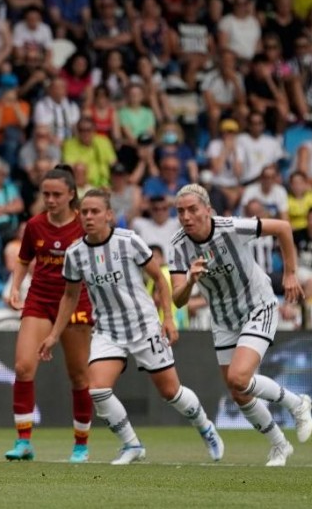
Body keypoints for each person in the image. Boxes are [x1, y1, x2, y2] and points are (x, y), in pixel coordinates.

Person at [39, 189, 224, 465]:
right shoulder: (75, 253)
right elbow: (70, 296)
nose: (89, 217)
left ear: (109, 215)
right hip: (107, 330)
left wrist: (168, 319)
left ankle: (206, 428)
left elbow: (160, 280)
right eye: (85, 212)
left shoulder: (129, 241)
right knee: (97, 389)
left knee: (170, 392)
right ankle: (132, 444)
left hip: (144, 326)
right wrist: (54, 334)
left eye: (95, 211)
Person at [169, 184, 312, 466]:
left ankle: (297, 404)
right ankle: (279, 445)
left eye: (192, 209)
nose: (186, 216)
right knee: (238, 392)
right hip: (223, 320)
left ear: (208, 210)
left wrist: (290, 274)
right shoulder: (178, 245)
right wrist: (189, 281)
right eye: (180, 211)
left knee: (239, 378)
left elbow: (283, 227)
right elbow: (177, 299)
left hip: (258, 306)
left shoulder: (231, 227)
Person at [5, 167, 93, 463]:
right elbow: (23, 259)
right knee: (23, 367)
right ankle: (23, 441)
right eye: (46, 194)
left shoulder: (84, 225)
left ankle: (81, 444)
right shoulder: (35, 225)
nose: (51, 200)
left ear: (71, 195)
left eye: (57, 194)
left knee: (79, 375)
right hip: (40, 300)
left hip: (76, 303)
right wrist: (15, 287)